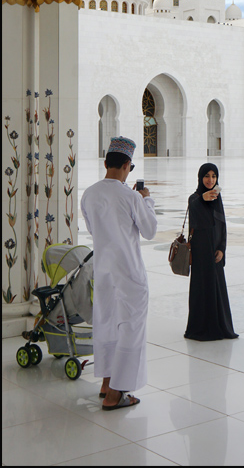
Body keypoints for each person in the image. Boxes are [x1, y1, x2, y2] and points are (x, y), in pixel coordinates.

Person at [80, 136, 157, 410]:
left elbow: (94, 230)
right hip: (130, 276)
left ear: (106, 163)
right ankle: (116, 394)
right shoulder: (131, 196)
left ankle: (106, 383)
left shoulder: (89, 194)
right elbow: (149, 231)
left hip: (103, 275)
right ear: (126, 165)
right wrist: (147, 201)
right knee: (130, 331)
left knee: (107, 326)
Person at [184, 163, 238, 341]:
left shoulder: (217, 197)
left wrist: (222, 248)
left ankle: (220, 326)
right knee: (202, 287)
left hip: (215, 252)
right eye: (207, 176)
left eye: (214, 176)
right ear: (200, 178)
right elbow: (195, 220)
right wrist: (202, 200)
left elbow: (222, 225)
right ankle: (201, 328)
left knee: (217, 287)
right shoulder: (195, 198)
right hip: (201, 252)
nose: (210, 180)